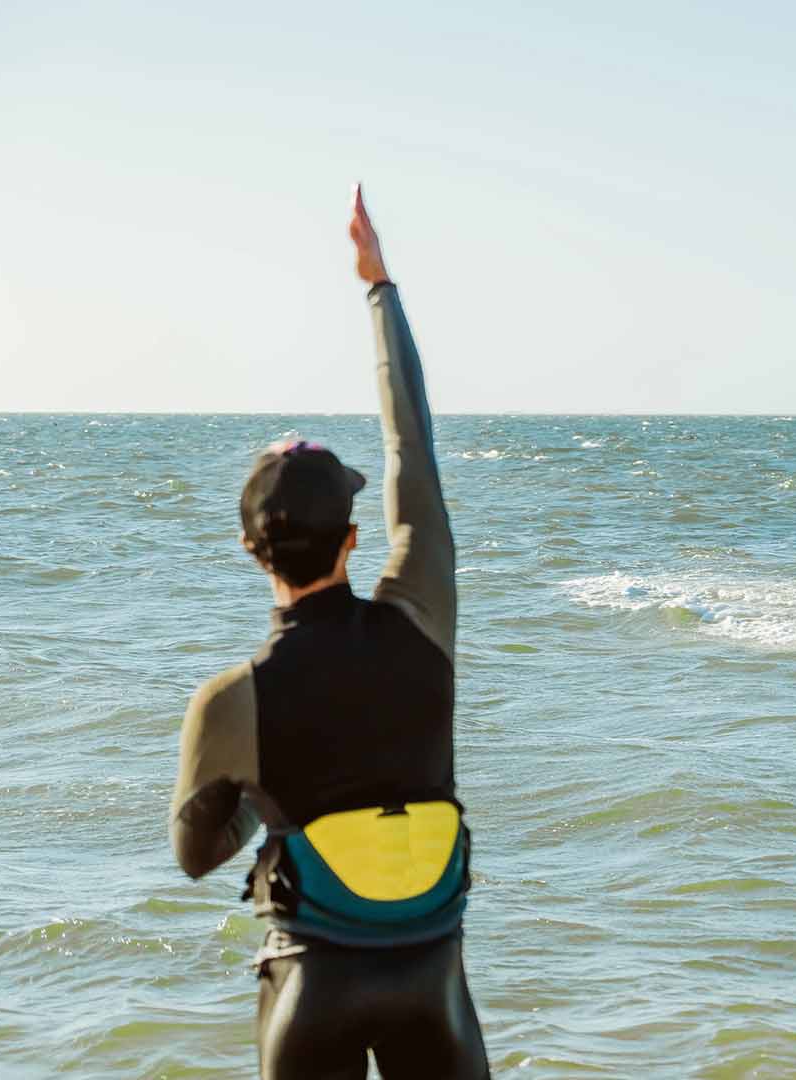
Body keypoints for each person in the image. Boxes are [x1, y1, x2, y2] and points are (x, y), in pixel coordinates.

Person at [168, 186, 489, 1079]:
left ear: (249, 550)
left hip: (311, 987)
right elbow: (411, 449)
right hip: (432, 981)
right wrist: (378, 286)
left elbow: (197, 855)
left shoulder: (232, 700)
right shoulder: (422, 619)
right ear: (353, 539)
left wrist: (259, 791)